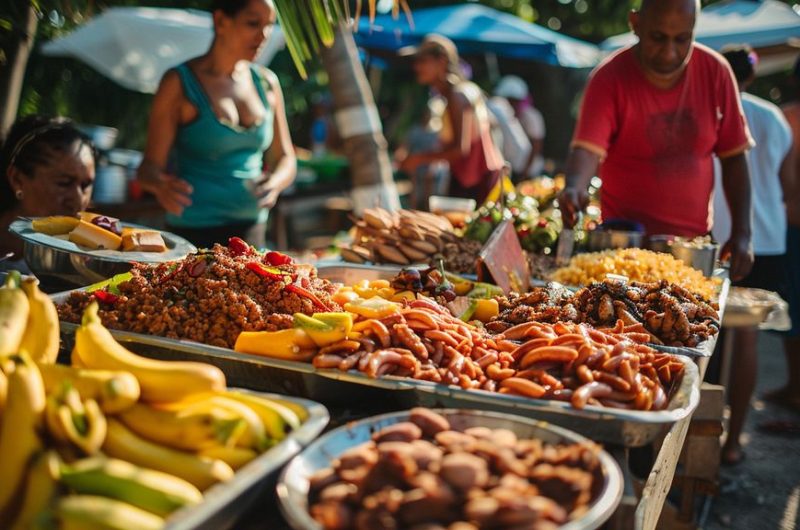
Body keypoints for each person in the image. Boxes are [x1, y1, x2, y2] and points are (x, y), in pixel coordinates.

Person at [558, 0, 755, 282]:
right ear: (635, 24)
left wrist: (743, 233)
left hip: (691, 249)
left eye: (682, 39)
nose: (669, 52)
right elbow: (587, 149)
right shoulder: (609, 77)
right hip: (623, 252)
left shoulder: (717, 72)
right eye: (658, 38)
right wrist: (574, 187)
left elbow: (735, 156)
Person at [137, 0, 296, 249]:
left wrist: (274, 184)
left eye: (269, 26)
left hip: (252, 229)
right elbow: (147, 169)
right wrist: (161, 185)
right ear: (221, 21)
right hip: (193, 231)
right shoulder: (179, 82)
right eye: (253, 23)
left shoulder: (266, 83)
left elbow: (286, 158)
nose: (263, 35)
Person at [711, 46, 796, 464]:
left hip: (723, 237)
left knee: (711, 337)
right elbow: (788, 182)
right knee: (746, 338)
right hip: (768, 238)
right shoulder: (773, 116)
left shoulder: (714, 108)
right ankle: (733, 441)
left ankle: (706, 435)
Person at [397, 35, 503, 205]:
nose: (417, 67)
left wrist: (417, 159)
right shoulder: (456, 94)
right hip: (474, 179)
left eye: (423, 61)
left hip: (476, 182)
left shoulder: (457, 95)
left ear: (442, 61)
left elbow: (459, 150)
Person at [0, 116, 96, 272]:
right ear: (17, 179)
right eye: (64, 183)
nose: (78, 200)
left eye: (86, 185)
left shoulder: (82, 257)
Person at [769, 57, 800, 414]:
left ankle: (795, 387)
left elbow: (786, 182)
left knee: (793, 309)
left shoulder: (788, 117)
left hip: (792, 221)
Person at [489, 75, 546, 180]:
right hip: (515, 170)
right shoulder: (507, 116)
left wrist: (525, 172)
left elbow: (536, 146)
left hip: (531, 172)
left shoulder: (531, 117)